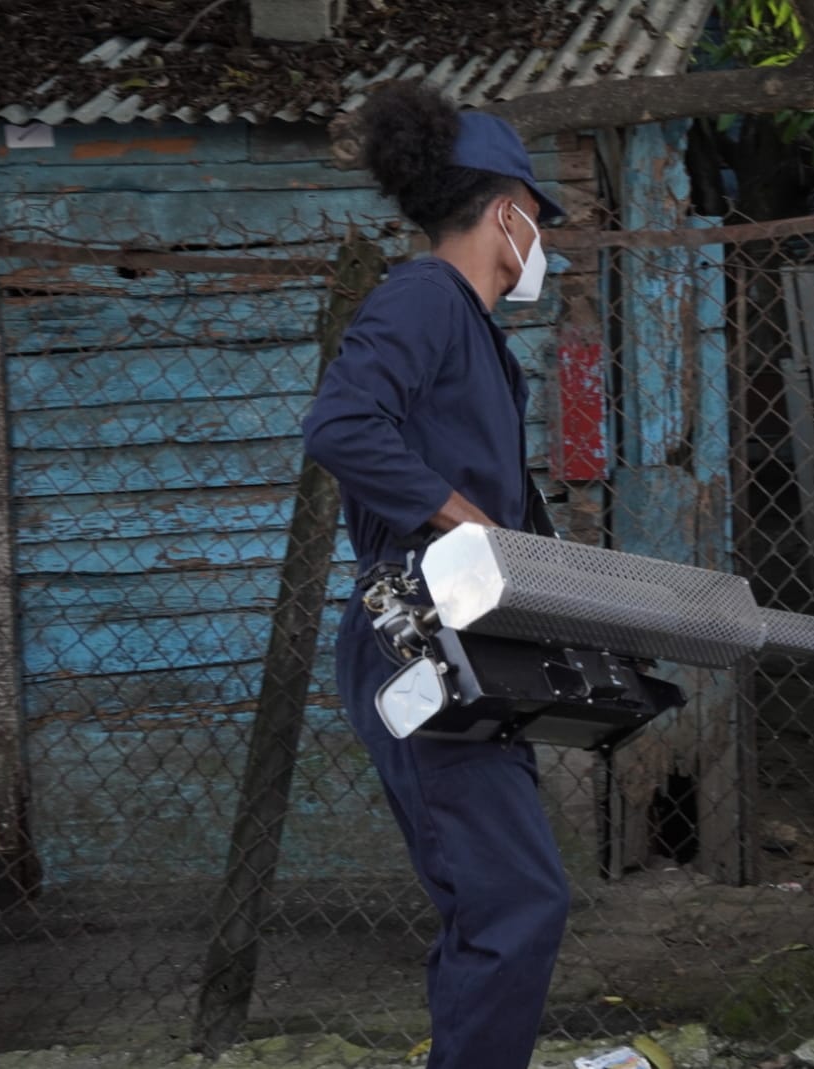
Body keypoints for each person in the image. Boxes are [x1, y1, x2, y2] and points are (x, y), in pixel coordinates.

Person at [300, 82, 570, 1069]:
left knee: (502, 899)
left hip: (462, 635)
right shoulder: (423, 298)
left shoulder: (472, 333)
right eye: (539, 219)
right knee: (513, 901)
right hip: (417, 632)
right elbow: (339, 425)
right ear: (507, 213)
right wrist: (473, 523)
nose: (542, 241)